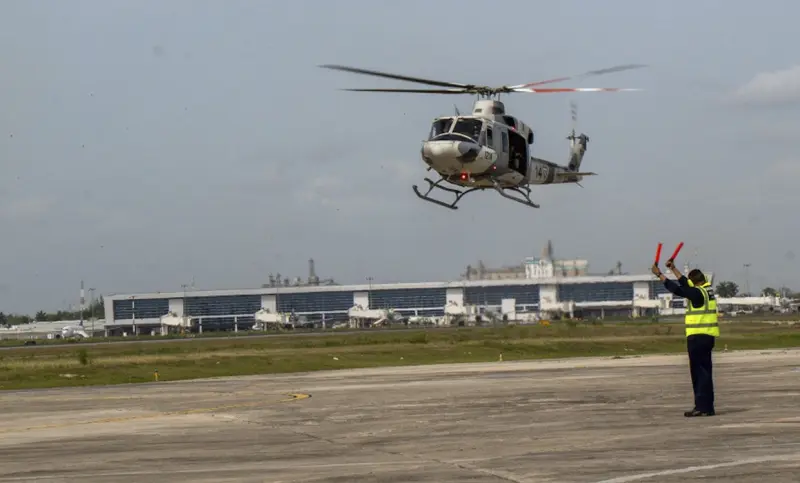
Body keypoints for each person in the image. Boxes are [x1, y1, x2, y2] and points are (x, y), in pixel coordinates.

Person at [651, 259, 719, 417]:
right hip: (708, 337)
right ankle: (708, 407)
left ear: (693, 282)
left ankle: (701, 407)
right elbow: (684, 283)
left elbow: (677, 289)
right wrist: (673, 269)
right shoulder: (706, 290)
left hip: (697, 338)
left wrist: (660, 275)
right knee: (706, 373)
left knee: (698, 374)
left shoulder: (696, 293)